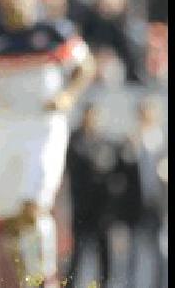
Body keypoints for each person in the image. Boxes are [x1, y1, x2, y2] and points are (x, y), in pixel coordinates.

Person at [0, 0, 96, 287]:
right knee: (11, 216)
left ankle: (46, 278)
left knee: (34, 204)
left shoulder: (53, 32)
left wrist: (67, 97)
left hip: (43, 125)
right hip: (5, 126)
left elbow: (84, 66)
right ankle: (26, 278)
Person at [64, 103, 119, 287]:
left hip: (102, 209)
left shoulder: (105, 142)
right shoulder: (74, 140)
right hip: (81, 207)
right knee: (77, 255)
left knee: (104, 256)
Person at [115, 96, 167, 288]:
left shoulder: (162, 141)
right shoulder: (131, 140)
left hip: (159, 207)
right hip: (136, 207)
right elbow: (120, 177)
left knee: (161, 252)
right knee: (133, 254)